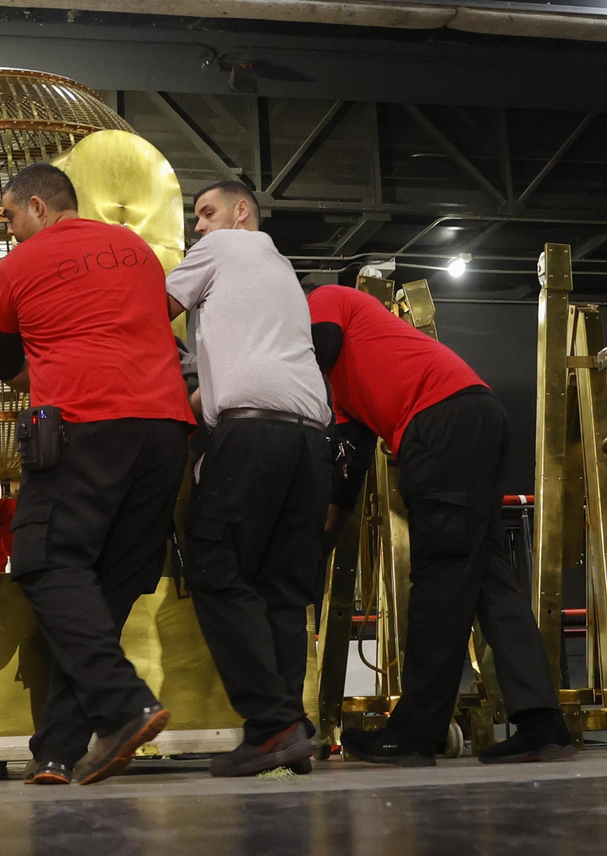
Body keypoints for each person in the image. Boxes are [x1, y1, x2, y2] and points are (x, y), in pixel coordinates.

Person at [0, 163, 195, 787]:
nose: (8, 231)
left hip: (83, 425)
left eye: (10, 217)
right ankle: (58, 749)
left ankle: (124, 702)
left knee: (43, 561)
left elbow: (2, 361)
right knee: (107, 587)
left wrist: (49, 375)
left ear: (38, 207)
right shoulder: (134, 249)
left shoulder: (19, 266)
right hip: (164, 430)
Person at [310, 283, 572, 766]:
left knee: (439, 574)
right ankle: (542, 721)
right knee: (487, 575)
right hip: (475, 413)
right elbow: (346, 476)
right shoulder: (344, 393)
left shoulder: (322, 298)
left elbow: (315, 346)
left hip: (438, 421)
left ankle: (414, 731)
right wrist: (318, 552)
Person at [164, 180, 331, 777]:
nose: (198, 229)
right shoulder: (282, 270)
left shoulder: (225, 248)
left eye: (206, 214)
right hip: (311, 437)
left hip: (252, 435)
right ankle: (288, 731)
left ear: (241, 213)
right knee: (282, 590)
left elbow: (149, 312)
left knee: (212, 564)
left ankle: (274, 722)